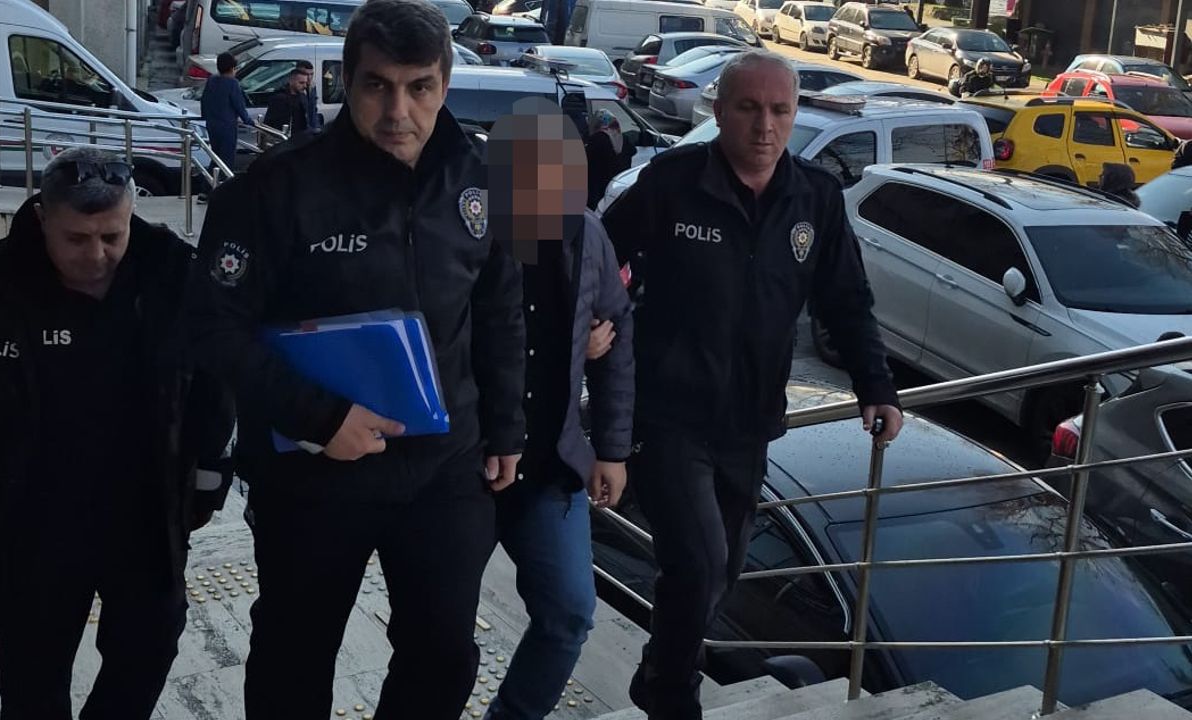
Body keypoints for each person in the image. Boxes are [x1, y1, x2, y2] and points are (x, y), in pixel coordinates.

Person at [181, 0, 525, 717]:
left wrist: (506, 428)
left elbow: (497, 309)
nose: (399, 110)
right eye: (378, 86)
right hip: (314, 474)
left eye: (420, 87)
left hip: (444, 469)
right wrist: (321, 417)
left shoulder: (478, 179)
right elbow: (211, 327)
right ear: (347, 81)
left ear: (444, 84)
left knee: (443, 655)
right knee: (293, 658)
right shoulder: (276, 189)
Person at [602, 50, 903, 719]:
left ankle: (658, 673)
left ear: (793, 115)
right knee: (699, 561)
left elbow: (846, 300)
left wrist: (876, 386)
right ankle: (672, 697)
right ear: (719, 110)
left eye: (779, 110)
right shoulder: (674, 180)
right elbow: (599, 257)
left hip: (750, 421)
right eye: (748, 108)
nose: (764, 125)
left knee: (725, 569)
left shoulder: (815, 197)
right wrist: (602, 324)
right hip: (668, 415)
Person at [0, 147, 235, 720]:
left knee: (151, 644)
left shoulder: (172, 275)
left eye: (112, 236)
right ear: (42, 218)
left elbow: (214, 373)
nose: (97, 255)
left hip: (143, 511)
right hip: (28, 521)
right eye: (77, 239)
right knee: (33, 679)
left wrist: (210, 471)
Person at [482, 97, 635, 720]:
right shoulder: (468, 225)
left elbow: (615, 333)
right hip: (468, 465)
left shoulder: (586, 232)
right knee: (435, 630)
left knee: (571, 612)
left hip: (550, 465)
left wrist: (613, 449)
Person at [200, 51, 255, 173]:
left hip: (212, 124)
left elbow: (204, 100)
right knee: (227, 158)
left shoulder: (212, 80)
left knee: (216, 155)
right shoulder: (232, 83)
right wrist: (248, 121)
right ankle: (223, 180)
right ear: (232, 68)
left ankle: (211, 180)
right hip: (227, 126)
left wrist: (205, 116)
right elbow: (239, 105)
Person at [585, 108, 635, 211]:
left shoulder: (596, 140)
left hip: (598, 192)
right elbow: (633, 151)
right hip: (618, 189)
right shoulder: (623, 139)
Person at [261, 67, 312, 140]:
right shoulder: (279, 99)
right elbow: (269, 122)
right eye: (301, 83)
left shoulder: (303, 97)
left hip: (300, 138)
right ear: (291, 81)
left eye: (305, 83)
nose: (305, 86)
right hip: (283, 138)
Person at [295, 59, 323, 130]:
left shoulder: (312, 87)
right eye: (306, 74)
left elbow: (313, 110)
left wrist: (317, 127)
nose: (309, 77)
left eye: (311, 74)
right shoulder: (294, 89)